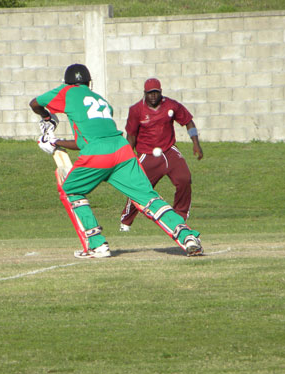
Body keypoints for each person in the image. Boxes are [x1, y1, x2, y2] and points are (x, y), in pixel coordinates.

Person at [29, 64, 203, 258]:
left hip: (98, 152)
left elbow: (34, 103)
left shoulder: (67, 90)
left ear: (68, 82)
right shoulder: (102, 101)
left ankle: (97, 244)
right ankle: (188, 237)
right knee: (148, 198)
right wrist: (55, 141)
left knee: (70, 189)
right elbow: (83, 141)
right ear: (89, 83)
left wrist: (46, 117)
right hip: (122, 150)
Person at [119, 78, 203, 232]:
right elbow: (131, 136)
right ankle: (126, 221)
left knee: (184, 179)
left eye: (156, 93)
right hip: (147, 154)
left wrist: (196, 143)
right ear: (144, 93)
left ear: (160, 92)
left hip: (169, 150)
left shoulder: (171, 105)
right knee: (140, 189)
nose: (153, 96)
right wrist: (128, 157)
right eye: (150, 93)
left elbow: (188, 121)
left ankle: (180, 217)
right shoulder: (136, 110)